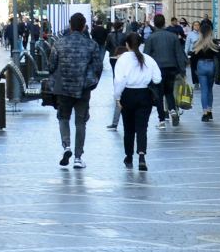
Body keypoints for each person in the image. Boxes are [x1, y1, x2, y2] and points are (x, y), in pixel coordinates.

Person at [47, 13, 103, 169]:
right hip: (83, 88)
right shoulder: (91, 44)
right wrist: (92, 82)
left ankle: (66, 146)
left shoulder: (59, 43)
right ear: (84, 26)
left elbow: (51, 66)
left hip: (63, 88)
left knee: (63, 118)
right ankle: (78, 158)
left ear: (70, 25)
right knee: (81, 122)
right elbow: (98, 67)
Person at [113, 30, 157, 171]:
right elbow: (158, 78)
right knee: (142, 127)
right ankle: (142, 156)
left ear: (127, 44)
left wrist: (117, 97)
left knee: (129, 128)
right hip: (144, 94)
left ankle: (129, 156)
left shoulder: (123, 59)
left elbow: (120, 80)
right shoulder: (148, 59)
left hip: (128, 94)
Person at [145, 14, 187, 128]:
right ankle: (173, 110)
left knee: (159, 95)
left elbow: (146, 56)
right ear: (164, 23)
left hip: (157, 69)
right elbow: (179, 54)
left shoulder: (151, 38)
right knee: (169, 92)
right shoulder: (173, 36)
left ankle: (162, 121)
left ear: (155, 23)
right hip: (171, 68)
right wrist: (182, 70)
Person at [189, 20, 220, 123]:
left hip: (201, 66)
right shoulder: (214, 43)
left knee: (203, 90)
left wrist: (195, 70)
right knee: (210, 90)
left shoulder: (197, 43)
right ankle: (210, 111)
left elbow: (193, 58)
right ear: (210, 32)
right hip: (211, 66)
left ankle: (205, 113)